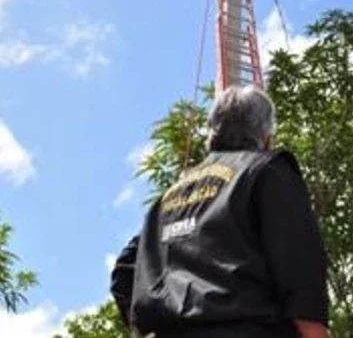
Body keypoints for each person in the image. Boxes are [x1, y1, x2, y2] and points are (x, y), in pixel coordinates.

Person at [110, 86, 329, 338]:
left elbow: (125, 268)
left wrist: (145, 329)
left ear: (212, 132)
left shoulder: (167, 199)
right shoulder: (266, 170)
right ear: (266, 135)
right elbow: (299, 268)